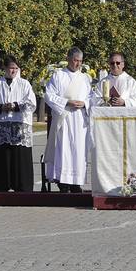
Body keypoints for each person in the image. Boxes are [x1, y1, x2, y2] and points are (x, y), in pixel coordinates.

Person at [0, 55, 36, 192]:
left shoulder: (24, 84)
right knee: (3, 158)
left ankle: (23, 187)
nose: (13, 71)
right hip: (1, 126)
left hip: (19, 126)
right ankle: (3, 186)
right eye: (11, 68)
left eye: (16, 68)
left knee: (20, 158)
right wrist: (1, 107)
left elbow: (31, 103)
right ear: (5, 68)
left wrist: (15, 106)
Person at [44, 48, 92, 193]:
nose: (78, 64)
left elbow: (91, 97)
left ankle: (76, 182)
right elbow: (49, 95)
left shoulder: (85, 78)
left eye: (80, 61)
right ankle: (63, 181)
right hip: (64, 118)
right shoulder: (58, 76)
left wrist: (85, 104)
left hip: (79, 119)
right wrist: (66, 102)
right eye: (75, 60)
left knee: (78, 150)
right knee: (63, 148)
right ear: (68, 59)